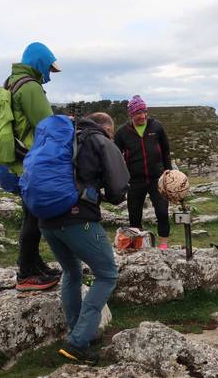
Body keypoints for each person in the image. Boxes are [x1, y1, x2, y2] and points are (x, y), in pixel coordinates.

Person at [39, 112, 130, 364]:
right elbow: (117, 187)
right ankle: (78, 342)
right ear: (107, 128)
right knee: (107, 274)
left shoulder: (63, 137)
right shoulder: (99, 139)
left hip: (46, 219)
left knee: (72, 271)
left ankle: (77, 332)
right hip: (78, 218)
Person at [5, 42, 63, 291]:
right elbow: (46, 124)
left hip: (19, 158)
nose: (49, 73)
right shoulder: (30, 87)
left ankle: (33, 263)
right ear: (38, 62)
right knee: (33, 216)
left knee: (32, 214)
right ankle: (26, 272)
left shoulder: (12, 81)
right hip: (31, 160)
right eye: (48, 67)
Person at [113, 95, 172, 249]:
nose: (142, 116)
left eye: (144, 111)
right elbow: (114, 155)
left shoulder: (156, 126)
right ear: (131, 115)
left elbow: (166, 151)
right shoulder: (122, 132)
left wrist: (168, 172)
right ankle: (138, 243)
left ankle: (163, 244)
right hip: (134, 180)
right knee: (134, 214)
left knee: (162, 211)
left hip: (157, 178)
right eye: (138, 113)